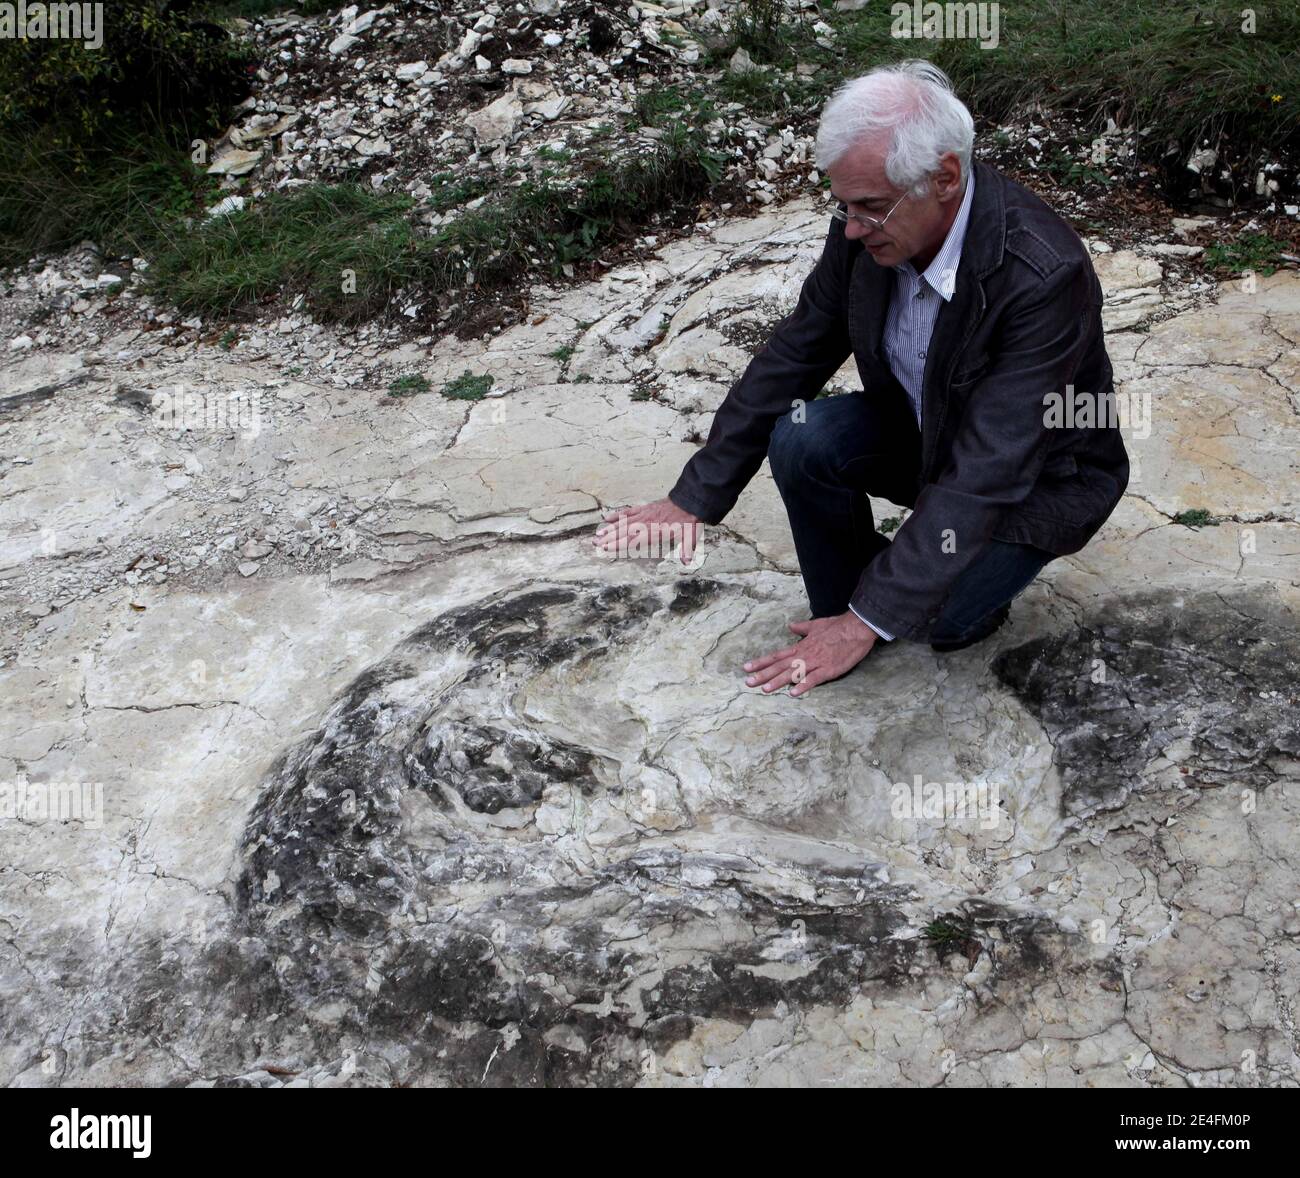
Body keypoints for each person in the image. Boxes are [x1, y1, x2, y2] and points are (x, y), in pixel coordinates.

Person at [593, 60, 1128, 698]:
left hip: (1033, 480)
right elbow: (796, 352)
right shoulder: (869, 227)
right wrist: (694, 497)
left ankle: (899, 600)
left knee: (936, 623)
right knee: (803, 436)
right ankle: (856, 604)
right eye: (841, 204)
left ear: (945, 177)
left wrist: (875, 616)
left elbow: (994, 466)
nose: (849, 228)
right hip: (926, 436)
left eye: (869, 207)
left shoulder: (1042, 275)